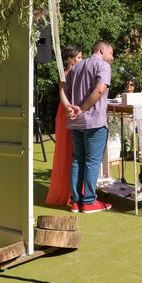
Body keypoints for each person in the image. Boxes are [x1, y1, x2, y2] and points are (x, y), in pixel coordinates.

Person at [65, 40, 114, 214]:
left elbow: (66, 89)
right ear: (102, 50)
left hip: (76, 122)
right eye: (111, 53)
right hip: (93, 120)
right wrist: (82, 109)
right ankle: (89, 201)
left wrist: (73, 109)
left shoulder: (76, 67)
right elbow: (100, 89)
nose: (112, 57)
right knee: (92, 161)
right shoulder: (103, 65)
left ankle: (76, 201)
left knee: (78, 159)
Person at [45, 45, 83, 206]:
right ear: (70, 59)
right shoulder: (65, 73)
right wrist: (69, 108)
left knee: (76, 150)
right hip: (66, 111)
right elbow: (61, 92)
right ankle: (64, 192)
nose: (81, 60)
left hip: (76, 109)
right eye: (79, 57)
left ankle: (75, 191)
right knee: (65, 150)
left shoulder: (81, 72)